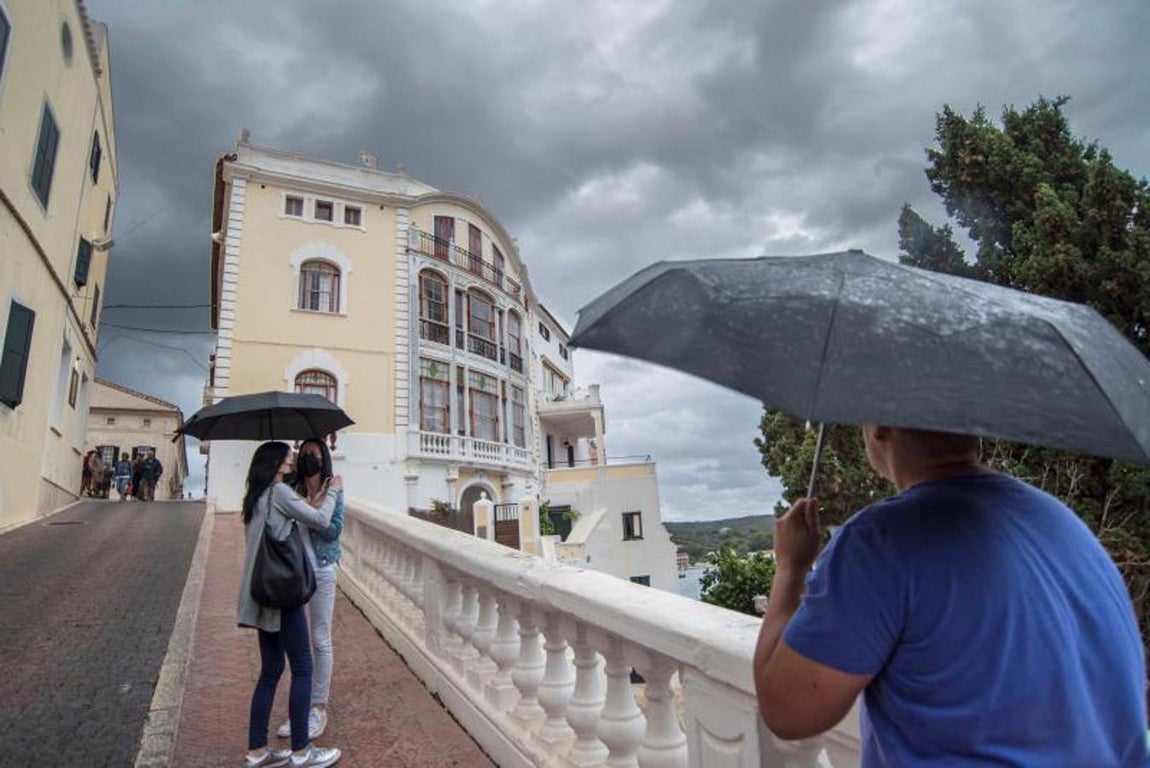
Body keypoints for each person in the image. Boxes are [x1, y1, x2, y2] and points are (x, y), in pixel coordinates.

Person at [753, 426, 1148, 766]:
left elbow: (787, 710)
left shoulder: (882, 541)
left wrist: (791, 567)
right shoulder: (1065, 525)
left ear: (881, 425)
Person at [238, 441, 342, 768]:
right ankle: (301, 751)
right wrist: (334, 491)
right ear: (274, 463)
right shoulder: (280, 493)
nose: (293, 461)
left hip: (260, 594)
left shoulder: (254, 498)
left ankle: (257, 752)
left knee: (270, 671)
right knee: (303, 668)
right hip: (283, 594)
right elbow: (322, 520)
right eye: (287, 457)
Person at [276, 438, 344, 743]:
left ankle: (318, 707)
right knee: (296, 642)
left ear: (323, 458)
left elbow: (334, 529)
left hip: (323, 569)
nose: (307, 458)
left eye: (313, 454)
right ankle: (300, 707)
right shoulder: (292, 489)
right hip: (295, 572)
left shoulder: (334, 488)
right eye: (303, 454)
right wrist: (306, 508)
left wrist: (316, 511)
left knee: (320, 639)